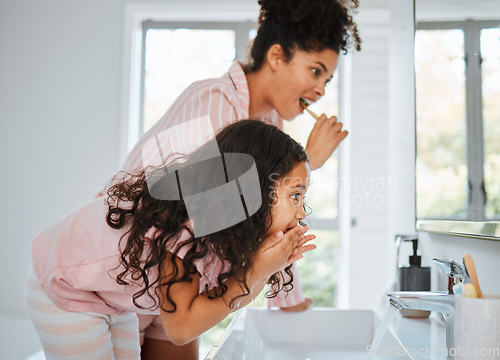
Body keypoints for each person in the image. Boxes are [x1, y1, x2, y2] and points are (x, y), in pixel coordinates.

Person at [99, 0, 362, 357]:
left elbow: (271, 218)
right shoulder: (211, 102)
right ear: (276, 56)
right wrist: (309, 161)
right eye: (316, 72)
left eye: (327, 79)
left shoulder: (269, 126)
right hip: (125, 272)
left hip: (179, 272)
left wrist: (287, 300)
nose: (321, 90)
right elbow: (203, 208)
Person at [25, 120, 316, 360]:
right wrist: (256, 271)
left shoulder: (225, 233)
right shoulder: (187, 225)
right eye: (294, 196)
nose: (301, 211)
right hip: (66, 283)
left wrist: (260, 271)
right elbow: (181, 327)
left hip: (109, 297)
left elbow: (224, 299)